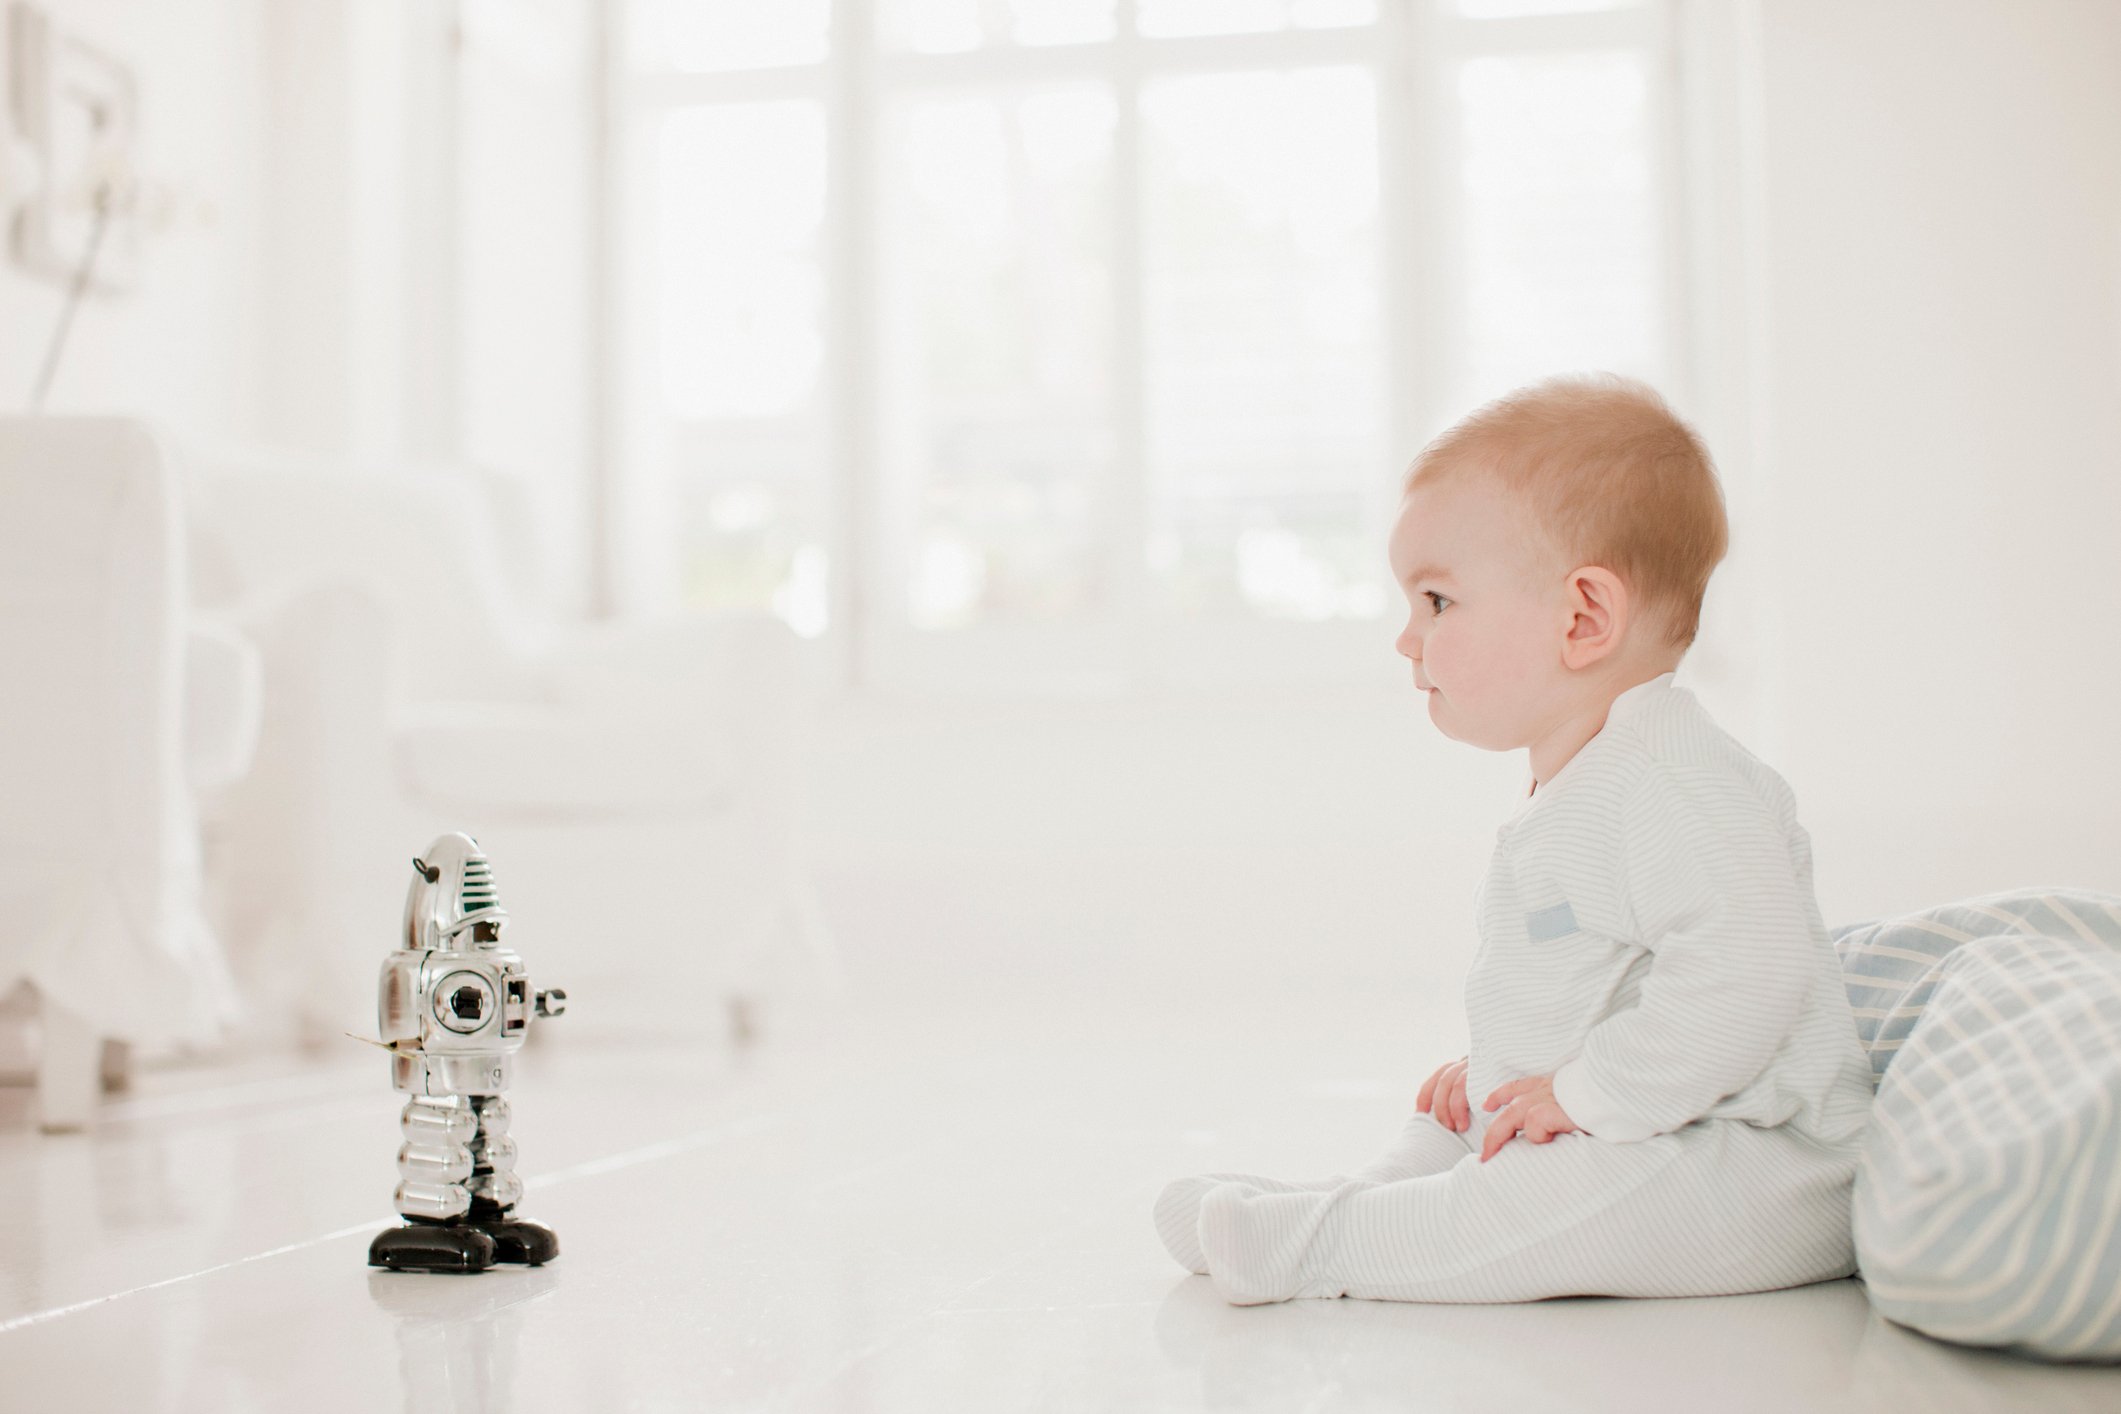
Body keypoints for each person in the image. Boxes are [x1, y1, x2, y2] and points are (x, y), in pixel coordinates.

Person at [1154, 373, 1874, 1306]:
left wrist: (1585, 1094)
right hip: (1652, 1123)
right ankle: (1355, 1204)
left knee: (1545, 1206)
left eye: (1437, 602)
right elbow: (1608, 974)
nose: (1407, 640)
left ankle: (1322, 1244)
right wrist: (1503, 1071)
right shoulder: (1585, 777)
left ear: (1582, 619)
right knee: (1461, 1128)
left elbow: (1752, 969)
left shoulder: (1672, 780)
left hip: (1757, 1167)